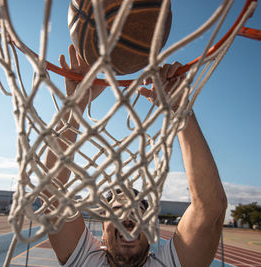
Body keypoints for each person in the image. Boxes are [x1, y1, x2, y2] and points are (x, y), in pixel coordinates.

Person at [45, 44, 227, 267]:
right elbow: (51, 194)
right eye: (118, 210)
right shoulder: (85, 258)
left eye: (136, 212)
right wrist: (74, 107)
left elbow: (210, 208)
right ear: (101, 233)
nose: (127, 218)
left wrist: (181, 109)